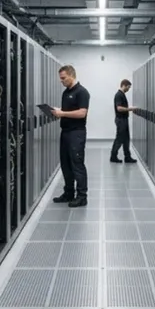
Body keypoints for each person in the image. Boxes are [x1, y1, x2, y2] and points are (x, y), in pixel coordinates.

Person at [51, 65, 91, 207]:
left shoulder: (82, 92)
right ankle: (69, 193)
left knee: (77, 164)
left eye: (63, 78)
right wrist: (58, 112)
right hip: (65, 132)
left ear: (71, 75)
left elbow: (82, 113)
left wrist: (62, 113)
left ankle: (82, 196)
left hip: (76, 133)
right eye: (60, 78)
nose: (61, 81)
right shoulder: (65, 93)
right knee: (65, 164)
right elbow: (68, 111)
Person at [110, 79, 137, 164]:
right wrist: (130, 109)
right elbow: (119, 108)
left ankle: (127, 157)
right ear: (124, 85)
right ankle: (113, 156)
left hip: (124, 120)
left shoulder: (122, 94)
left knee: (126, 139)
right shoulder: (119, 95)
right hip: (121, 120)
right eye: (128, 87)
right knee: (119, 139)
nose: (128, 89)